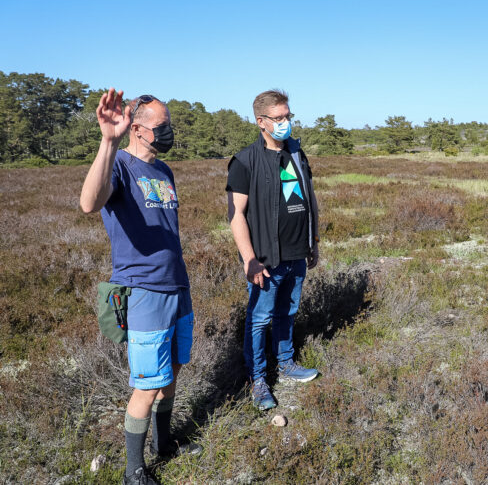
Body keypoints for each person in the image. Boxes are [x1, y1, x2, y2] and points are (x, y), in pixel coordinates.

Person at [80, 89, 200, 485]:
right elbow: (88, 202)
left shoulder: (164, 171)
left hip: (177, 285)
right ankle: (134, 471)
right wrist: (107, 143)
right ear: (137, 128)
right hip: (144, 291)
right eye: (161, 126)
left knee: (174, 372)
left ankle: (163, 444)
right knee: (147, 385)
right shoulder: (119, 166)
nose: (168, 131)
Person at [226, 89, 320, 410]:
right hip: (266, 258)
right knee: (259, 318)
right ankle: (258, 379)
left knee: (288, 312)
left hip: (297, 253)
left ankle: (286, 362)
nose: (285, 123)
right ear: (261, 122)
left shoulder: (296, 152)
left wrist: (313, 240)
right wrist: (249, 259)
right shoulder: (244, 161)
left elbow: (308, 198)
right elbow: (236, 214)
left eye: (287, 116)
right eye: (278, 118)